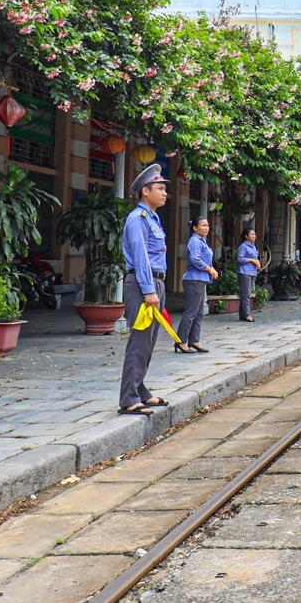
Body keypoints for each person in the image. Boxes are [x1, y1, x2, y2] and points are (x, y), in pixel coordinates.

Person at [119, 163, 171, 417]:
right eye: (160, 188)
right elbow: (140, 258)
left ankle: (140, 391)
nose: (164, 193)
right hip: (143, 285)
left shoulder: (152, 218)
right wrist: (149, 290)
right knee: (139, 342)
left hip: (154, 284)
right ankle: (128, 398)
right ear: (145, 191)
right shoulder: (137, 219)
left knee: (148, 342)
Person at [177, 216, 218, 354]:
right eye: (203, 225)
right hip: (193, 279)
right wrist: (209, 269)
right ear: (195, 228)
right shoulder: (194, 240)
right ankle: (181, 341)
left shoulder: (203, 241)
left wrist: (211, 270)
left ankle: (194, 340)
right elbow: (195, 259)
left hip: (201, 279)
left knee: (199, 313)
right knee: (191, 312)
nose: (206, 227)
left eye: (207, 225)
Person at [236, 226, 261, 322]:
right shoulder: (243, 246)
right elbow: (240, 259)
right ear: (246, 236)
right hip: (244, 272)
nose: (254, 236)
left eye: (254, 234)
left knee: (247, 293)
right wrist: (251, 260)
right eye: (252, 234)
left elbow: (256, 258)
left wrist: (257, 262)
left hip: (252, 272)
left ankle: (242, 314)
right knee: (246, 294)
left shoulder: (254, 246)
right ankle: (247, 314)